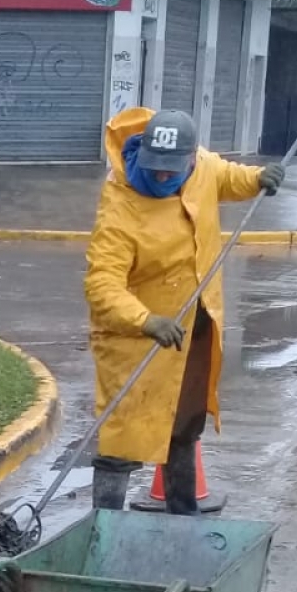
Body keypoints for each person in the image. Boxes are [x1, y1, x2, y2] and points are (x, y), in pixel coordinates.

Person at [84, 107, 284, 513]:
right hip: (137, 340)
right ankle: (101, 528)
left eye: (171, 169)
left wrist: (258, 178)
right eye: (155, 168)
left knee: (183, 427)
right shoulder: (120, 204)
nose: (161, 176)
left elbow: (227, 176)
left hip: (195, 328)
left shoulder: (202, 167)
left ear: (191, 158)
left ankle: (182, 519)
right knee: (122, 436)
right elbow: (101, 283)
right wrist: (144, 320)